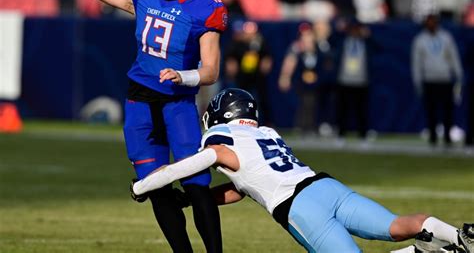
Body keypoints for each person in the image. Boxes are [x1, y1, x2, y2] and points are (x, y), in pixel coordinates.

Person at [131, 88, 474, 253]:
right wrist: (191, 202)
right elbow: (243, 188)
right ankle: (456, 236)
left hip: (300, 207)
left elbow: (193, 163)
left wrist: (144, 186)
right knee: (399, 226)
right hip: (326, 187)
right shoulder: (266, 134)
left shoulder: (221, 141)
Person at [84, 0, 227, 253]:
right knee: (156, 185)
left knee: (196, 185)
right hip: (139, 102)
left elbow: (211, 71)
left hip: (177, 103)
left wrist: (183, 75)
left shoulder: (206, 6)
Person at [411, 14, 463, 147]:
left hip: (445, 79)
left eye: (433, 22)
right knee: (431, 110)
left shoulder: (446, 37)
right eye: (429, 22)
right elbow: (416, 63)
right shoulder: (420, 40)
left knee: (447, 110)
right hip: (429, 79)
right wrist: (418, 80)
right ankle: (433, 137)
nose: (431, 24)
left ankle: (447, 137)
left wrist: (458, 74)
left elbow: (453, 56)